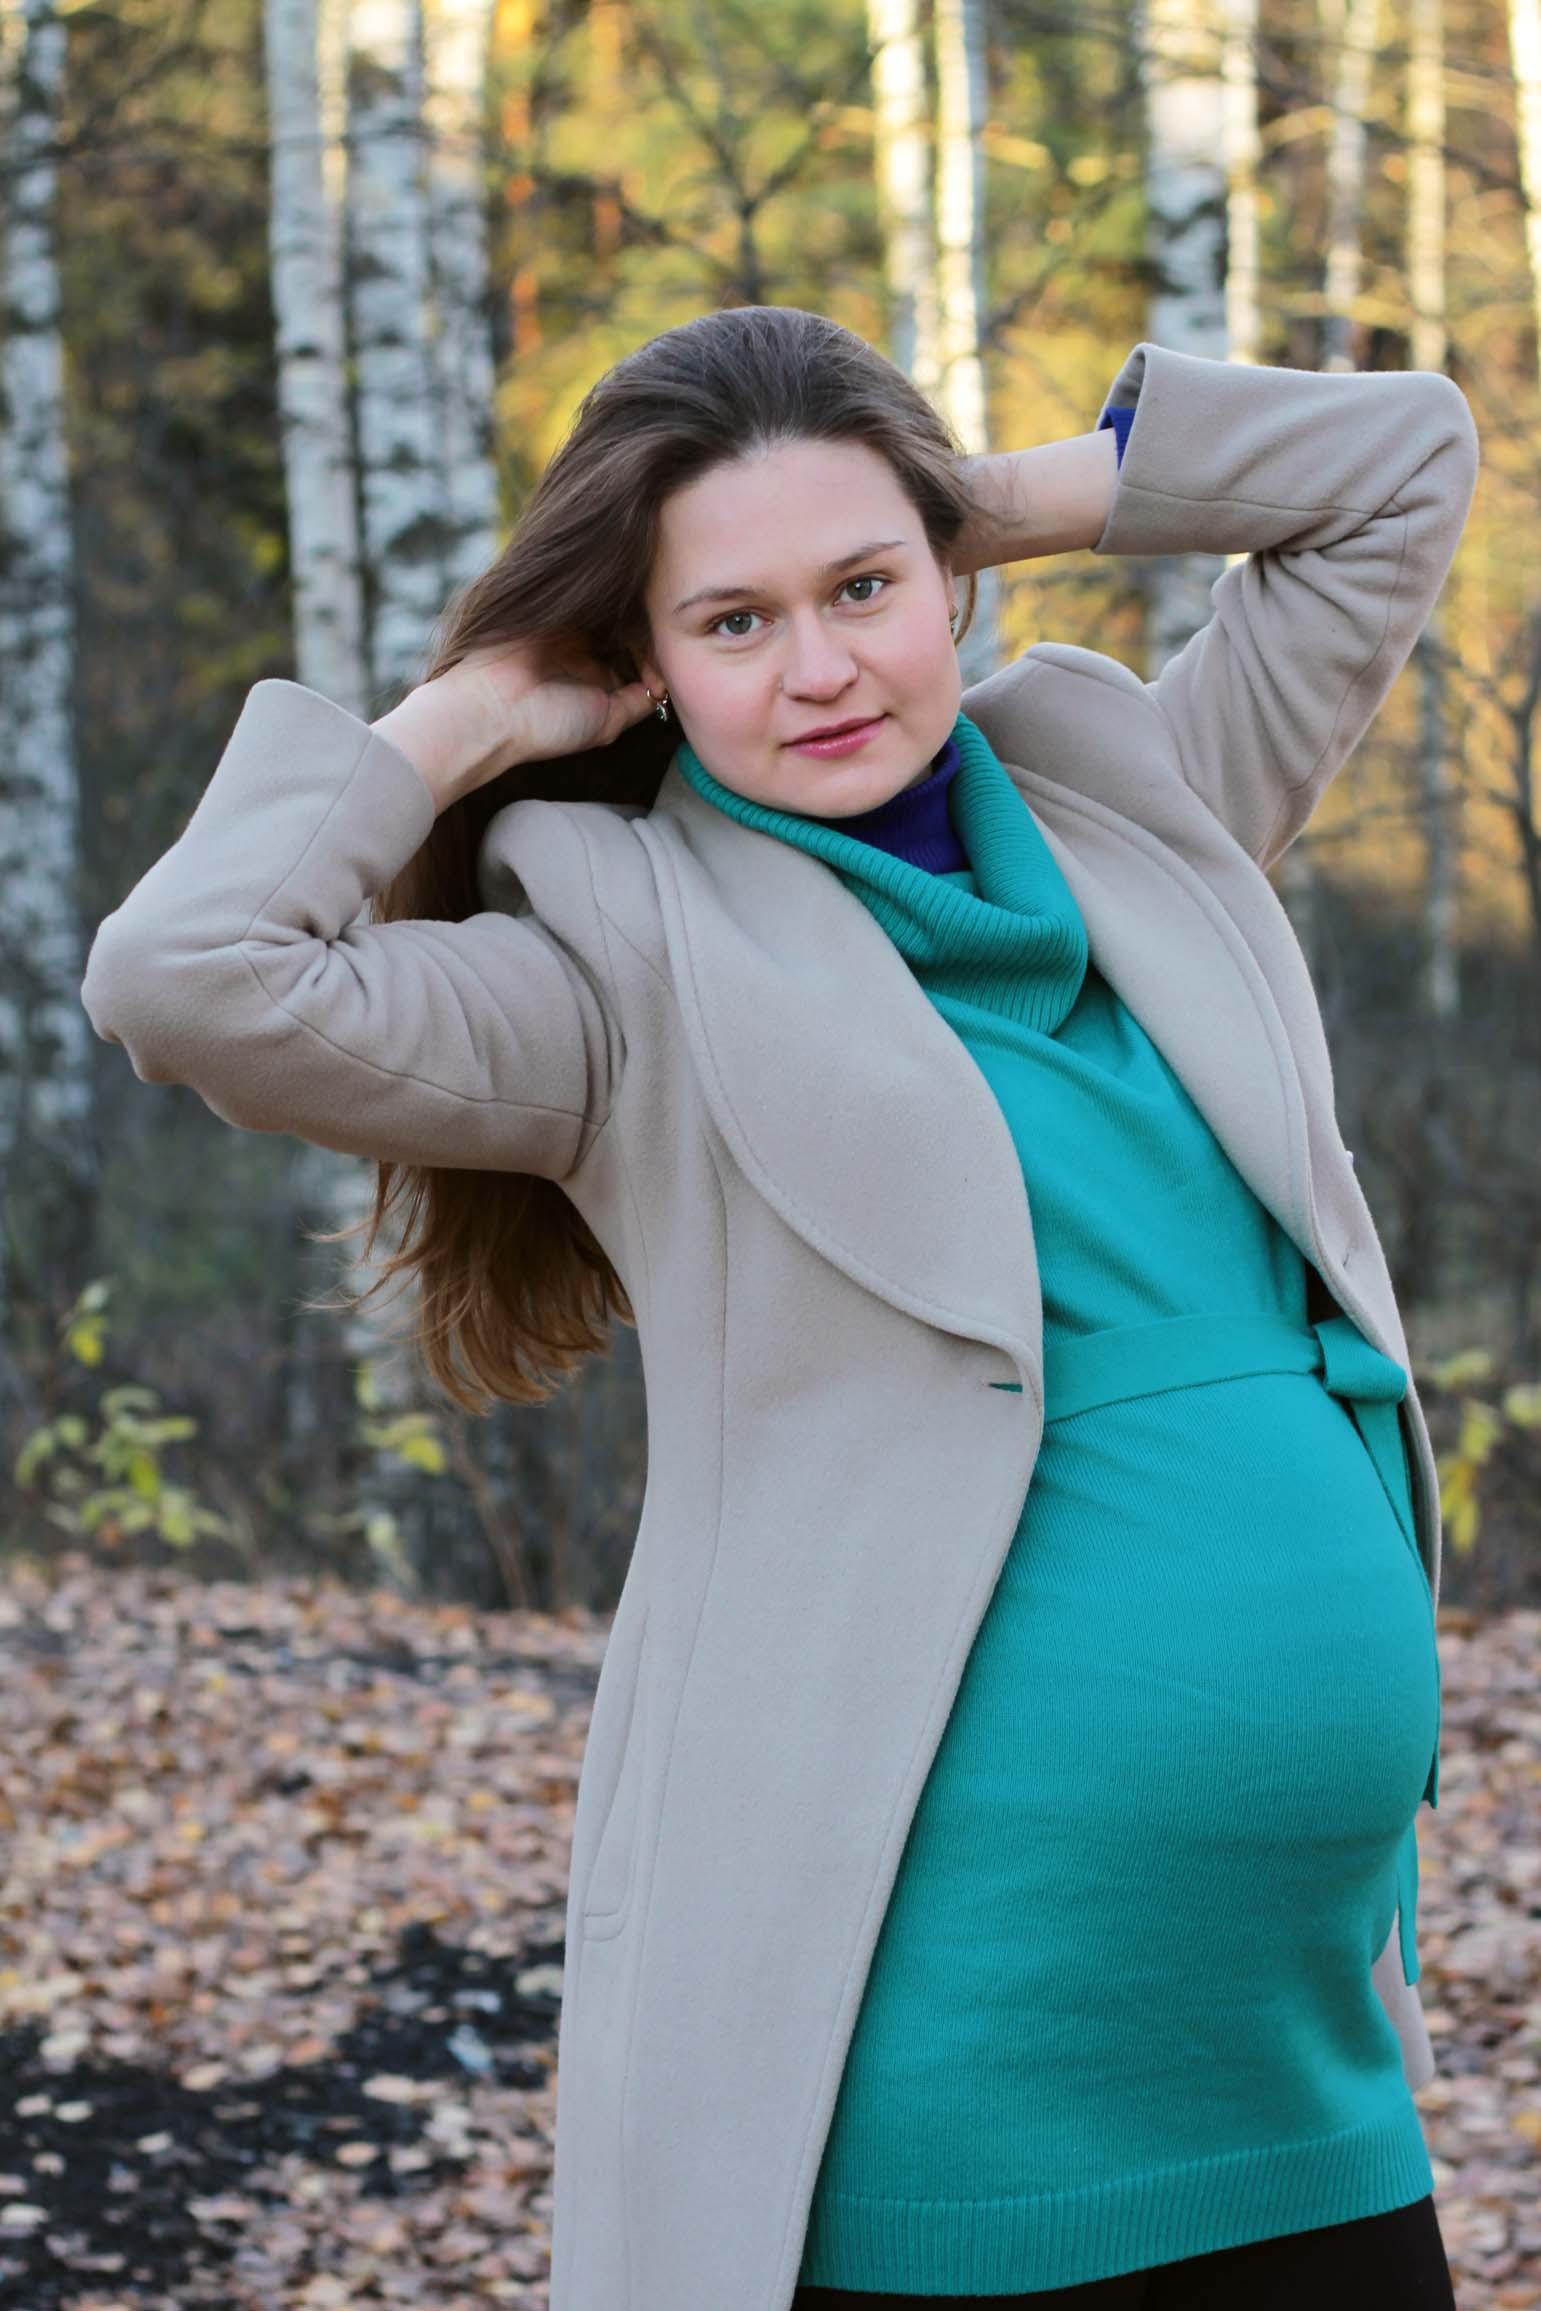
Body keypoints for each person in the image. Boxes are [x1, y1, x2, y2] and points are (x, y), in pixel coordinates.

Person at [81, 303, 1480, 2311]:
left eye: (862, 591)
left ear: (948, 578)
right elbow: (187, 979)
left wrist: (960, 497)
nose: (819, 668)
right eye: (733, 621)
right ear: (643, 660)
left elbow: (1401, 460)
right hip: (949, 2060)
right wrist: (468, 713)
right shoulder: (619, 972)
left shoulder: (1142, 807)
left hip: (1296, 2042)